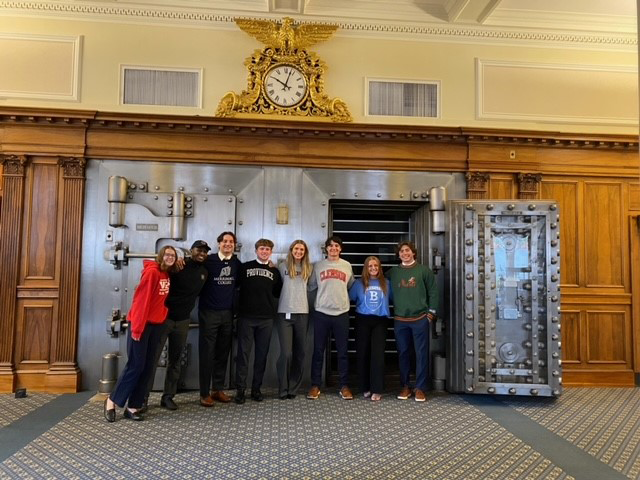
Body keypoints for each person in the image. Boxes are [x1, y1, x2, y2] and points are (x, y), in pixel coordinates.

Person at [103, 245, 177, 422]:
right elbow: (141, 302)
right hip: (141, 325)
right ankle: (112, 400)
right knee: (135, 366)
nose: (170, 257)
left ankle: (133, 406)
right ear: (160, 256)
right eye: (167, 254)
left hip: (156, 325)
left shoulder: (166, 274)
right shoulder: (152, 273)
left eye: (173, 255)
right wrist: (137, 328)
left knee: (147, 366)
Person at [142, 240, 210, 411]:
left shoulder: (204, 272)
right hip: (163, 319)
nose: (202, 253)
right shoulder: (178, 266)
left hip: (183, 321)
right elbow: (160, 274)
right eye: (199, 250)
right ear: (191, 251)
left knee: (175, 360)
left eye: (205, 251)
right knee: (153, 359)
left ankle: (168, 397)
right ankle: (142, 398)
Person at [388, 241, 438, 402]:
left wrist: (430, 314)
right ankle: (405, 386)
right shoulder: (393, 272)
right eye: (402, 251)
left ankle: (420, 388)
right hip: (400, 319)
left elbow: (434, 292)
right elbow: (378, 281)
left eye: (407, 250)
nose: (405, 253)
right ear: (399, 254)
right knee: (403, 353)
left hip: (419, 319)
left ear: (413, 253)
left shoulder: (424, 271)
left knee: (421, 354)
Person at [234, 238, 282, 404]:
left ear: (271, 252)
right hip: (246, 317)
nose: (264, 252)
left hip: (266, 319)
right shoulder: (245, 267)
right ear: (256, 250)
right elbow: (236, 287)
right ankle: (240, 389)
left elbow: (277, 293)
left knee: (261, 355)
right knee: (243, 355)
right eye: (262, 249)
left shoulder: (274, 272)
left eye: (268, 249)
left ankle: (256, 389)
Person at [307, 236, 355, 400]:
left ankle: (344, 386)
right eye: (330, 246)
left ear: (340, 249)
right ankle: (315, 385)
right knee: (318, 351)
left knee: (342, 352)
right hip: (321, 313)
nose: (333, 248)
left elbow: (350, 287)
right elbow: (311, 286)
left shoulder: (347, 266)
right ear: (326, 249)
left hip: (341, 313)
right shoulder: (318, 266)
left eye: (336, 246)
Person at [198, 232, 241, 407]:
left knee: (223, 353)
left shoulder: (236, 264)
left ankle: (217, 389)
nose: (228, 244)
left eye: (231, 242)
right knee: (207, 353)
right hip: (209, 313)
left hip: (227, 314)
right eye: (225, 241)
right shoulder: (208, 260)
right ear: (219, 243)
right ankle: (203, 393)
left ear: (235, 245)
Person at [349, 256, 390, 402]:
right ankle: (364, 387)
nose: (373, 268)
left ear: (380, 268)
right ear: (366, 268)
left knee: (377, 355)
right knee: (363, 354)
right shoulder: (358, 284)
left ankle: (377, 389)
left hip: (380, 321)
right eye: (370, 266)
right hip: (362, 320)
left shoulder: (387, 284)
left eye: (376, 266)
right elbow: (350, 298)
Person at [276, 239, 313, 400]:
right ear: (291, 250)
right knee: (286, 353)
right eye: (296, 249)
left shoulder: (309, 268)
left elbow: (312, 287)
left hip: (302, 313)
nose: (299, 252)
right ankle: (282, 388)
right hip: (284, 313)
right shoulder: (282, 266)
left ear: (305, 253)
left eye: (302, 250)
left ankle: (293, 388)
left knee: (300, 353)